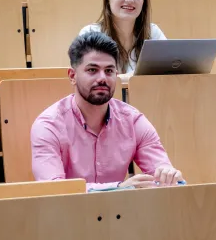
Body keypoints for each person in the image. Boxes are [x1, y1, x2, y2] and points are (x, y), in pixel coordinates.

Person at [31, 32, 183, 190]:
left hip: (120, 212)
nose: (102, 78)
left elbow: (163, 177)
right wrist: (119, 188)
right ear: (72, 76)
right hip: (66, 212)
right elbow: (53, 189)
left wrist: (169, 177)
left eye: (109, 71)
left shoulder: (133, 121)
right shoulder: (49, 125)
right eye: (92, 70)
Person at [80, 0, 166, 75]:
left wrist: (121, 79)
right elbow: (90, 80)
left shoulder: (153, 33)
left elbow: (167, 74)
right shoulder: (89, 34)